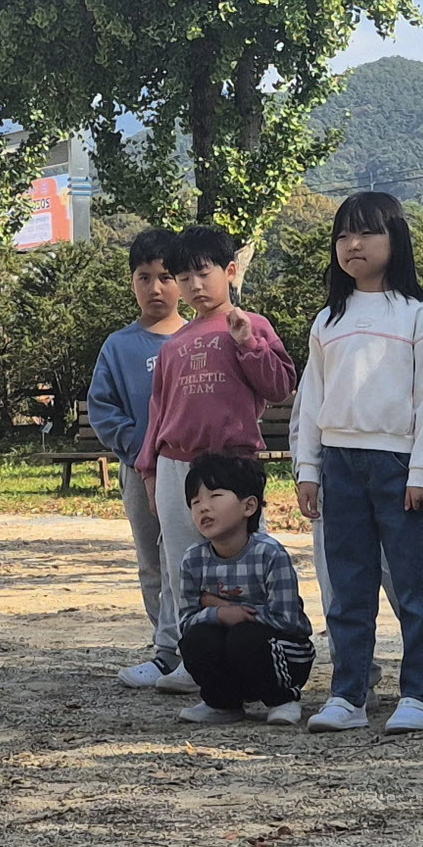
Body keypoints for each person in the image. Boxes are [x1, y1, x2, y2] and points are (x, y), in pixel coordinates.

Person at [293, 193, 423, 733]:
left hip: (397, 464)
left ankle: (420, 694)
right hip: (339, 464)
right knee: (348, 585)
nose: (353, 244)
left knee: (414, 584)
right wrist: (308, 469)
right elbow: (310, 400)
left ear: (396, 240)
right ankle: (349, 695)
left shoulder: (418, 317)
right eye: (342, 235)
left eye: (366, 233)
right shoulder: (328, 320)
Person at [135, 224, 300, 668]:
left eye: (203, 273)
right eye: (183, 276)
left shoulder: (251, 325)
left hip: (232, 464)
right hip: (175, 466)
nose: (194, 285)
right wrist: (150, 471)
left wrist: (248, 342)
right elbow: (158, 411)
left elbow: (281, 384)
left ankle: (261, 651)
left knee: (248, 561)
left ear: (229, 271)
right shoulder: (175, 344)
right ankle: (180, 657)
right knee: (180, 565)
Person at [88, 229, 192, 690]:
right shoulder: (119, 346)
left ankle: (194, 647)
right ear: (131, 282)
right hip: (140, 471)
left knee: (187, 557)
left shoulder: (200, 337)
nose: (156, 288)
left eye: (166, 276)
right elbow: (103, 409)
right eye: (144, 277)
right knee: (153, 559)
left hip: (193, 472)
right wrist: (138, 450)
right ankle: (163, 649)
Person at [171, 450, 317, 727]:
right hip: (233, 650)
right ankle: (222, 703)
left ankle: (282, 699)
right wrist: (218, 616)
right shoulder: (193, 559)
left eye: (215, 497)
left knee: (245, 637)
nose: (203, 507)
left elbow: (287, 620)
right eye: (195, 501)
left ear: (249, 506)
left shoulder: (270, 554)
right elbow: (186, 622)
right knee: (196, 639)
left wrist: (221, 606)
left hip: (284, 652)